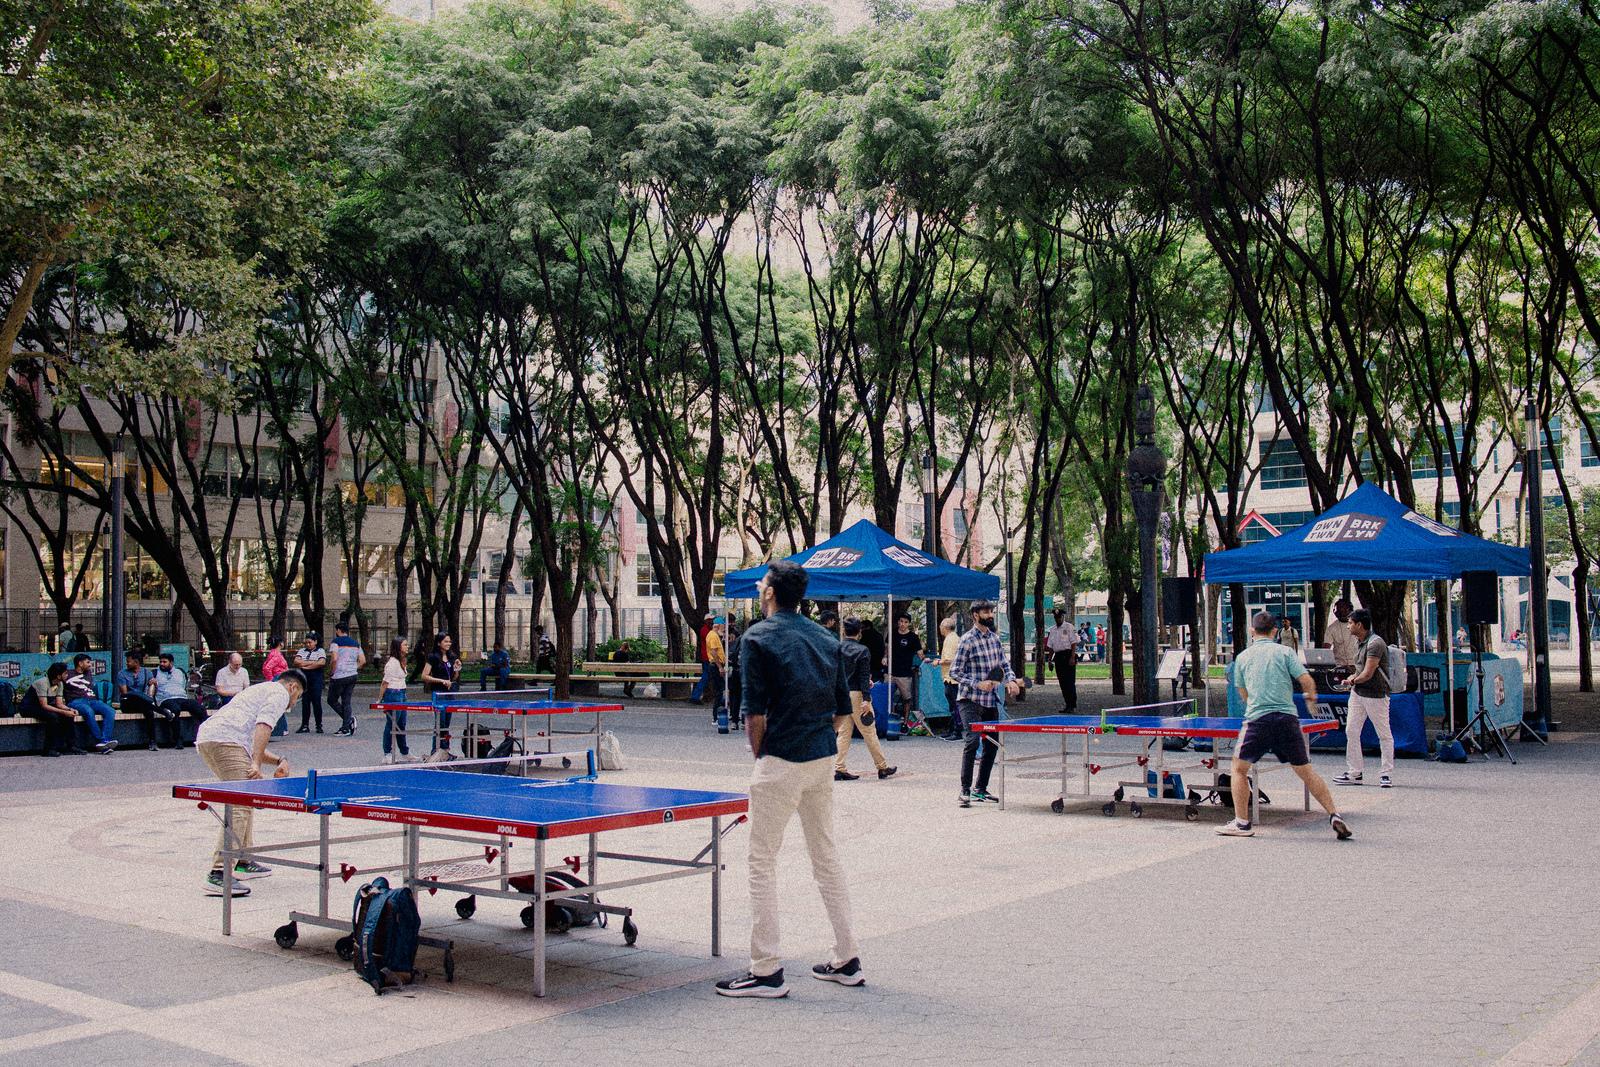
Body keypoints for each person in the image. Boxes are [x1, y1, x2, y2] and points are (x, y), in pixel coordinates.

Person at [715, 560, 863, 999]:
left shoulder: (756, 638)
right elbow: (842, 711)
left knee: (762, 861)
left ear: (769, 592)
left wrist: (764, 753)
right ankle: (847, 958)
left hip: (780, 758)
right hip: (821, 757)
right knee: (825, 856)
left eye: (762, 583)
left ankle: (766, 970)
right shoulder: (826, 639)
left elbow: (753, 713)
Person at [1217, 611, 1351, 839]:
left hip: (1258, 719)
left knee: (1238, 769)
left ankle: (1242, 823)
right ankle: (1334, 814)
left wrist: (1254, 705)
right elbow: (1306, 680)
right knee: (1306, 771)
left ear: (1252, 631)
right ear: (1275, 631)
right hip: (1287, 719)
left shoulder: (1243, 657)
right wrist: (1310, 698)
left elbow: (1242, 691)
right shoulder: (1285, 652)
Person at [195, 669, 305, 896]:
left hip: (214, 739)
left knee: (247, 797)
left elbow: (253, 743)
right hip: (225, 741)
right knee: (240, 804)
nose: (294, 702)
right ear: (292, 687)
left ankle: (244, 860)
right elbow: (263, 727)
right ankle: (219, 873)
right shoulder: (279, 693)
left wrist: (279, 760)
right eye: (298, 696)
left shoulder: (262, 690)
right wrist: (255, 764)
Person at [951, 600, 1020, 807]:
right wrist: (977, 683)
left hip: (990, 701)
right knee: (972, 742)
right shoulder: (967, 640)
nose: (990, 615)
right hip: (969, 700)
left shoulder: (994, 639)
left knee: (992, 745)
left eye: (991, 611)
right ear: (975, 615)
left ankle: (980, 788)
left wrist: (1011, 681)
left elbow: (1004, 665)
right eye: (986, 612)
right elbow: (955, 671)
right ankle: (964, 791)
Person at [1332, 609, 1395, 789]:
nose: (1348, 626)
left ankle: (1386, 774)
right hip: (1358, 694)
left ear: (1359, 625)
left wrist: (1352, 681)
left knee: (1384, 734)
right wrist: (1353, 678)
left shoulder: (1376, 643)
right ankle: (1355, 772)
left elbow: (1368, 673)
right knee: (1351, 731)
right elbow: (1360, 671)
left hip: (1376, 695)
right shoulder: (1359, 642)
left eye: (1350, 623)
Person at [834, 618, 895, 782]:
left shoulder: (837, 648)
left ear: (844, 631)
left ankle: (839, 768)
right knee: (869, 731)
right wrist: (867, 699)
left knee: (844, 733)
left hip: (841, 694)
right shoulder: (862, 650)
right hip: (857, 695)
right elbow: (863, 676)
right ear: (859, 632)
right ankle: (882, 766)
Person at [25, 663, 84, 756]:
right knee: (53, 717)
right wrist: (63, 712)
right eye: (65, 673)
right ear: (58, 676)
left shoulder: (60, 684)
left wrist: (69, 709)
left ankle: (71, 746)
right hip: (30, 707)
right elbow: (44, 705)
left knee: (68, 716)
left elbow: (59, 704)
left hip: (45, 707)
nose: (67, 675)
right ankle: (48, 749)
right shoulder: (42, 683)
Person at [64, 653, 118, 752]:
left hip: (92, 700)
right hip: (75, 701)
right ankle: (101, 741)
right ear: (80, 663)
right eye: (88, 662)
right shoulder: (67, 674)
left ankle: (105, 740)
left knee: (110, 711)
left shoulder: (88, 673)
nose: (90, 665)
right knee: (88, 711)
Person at [117, 652, 169, 750]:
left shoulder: (146, 672)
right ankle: (162, 711)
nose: (127, 663)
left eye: (128, 661)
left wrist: (154, 684)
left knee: (149, 712)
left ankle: (152, 741)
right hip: (127, 703)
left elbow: (151, 694)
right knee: (139, 700)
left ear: (136, 662)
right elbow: (125, 693)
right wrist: (138, 695)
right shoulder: (122, 674)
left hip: (143, 703)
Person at [154, 652, 205, 747]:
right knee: (175, 709)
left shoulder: (179, 672)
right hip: (166, 699)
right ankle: (178, 739)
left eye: (164, 662)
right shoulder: (155, 673)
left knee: (198, 708)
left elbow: (184, 685)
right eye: (160, 662)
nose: (162, 664)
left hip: (181, 697)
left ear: (171, 663)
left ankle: (205, 736)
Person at [420, 632, 459, 752]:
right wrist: (441, 681)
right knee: (440, 723)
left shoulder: (452, 657)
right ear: (438, 643)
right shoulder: (433, 657)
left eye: (449, 641)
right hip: (438, 692)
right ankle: (435, 750)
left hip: (449, 693)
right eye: (445, 641)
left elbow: (453, 677)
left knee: (446, 723)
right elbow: (424, 676)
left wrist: (457, 669)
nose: (448, 644)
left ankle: (445, 749)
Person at [328, 620, 366, 736]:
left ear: (338, 630)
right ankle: (346, 727)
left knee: (332, 700)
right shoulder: (356, 643)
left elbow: (334, 659)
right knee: (346, 701)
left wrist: (332, 671)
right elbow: (363, 661)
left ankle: (348, 721)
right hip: (352, 674)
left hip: (339, 675)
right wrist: (354, 667)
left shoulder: (336, 642)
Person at [381, 636, 412, 763]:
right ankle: (387, 753)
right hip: (393, 693)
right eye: (405, 644)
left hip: (402, 693)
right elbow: (385, 683)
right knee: (391, 724)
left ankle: (404, 752)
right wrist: (380, 699)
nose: (407, 646)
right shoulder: (392, 663)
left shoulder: (401, 661)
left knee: (401, 724)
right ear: (398, 647)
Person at [887, 615, 923, 715]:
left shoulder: (913, 637)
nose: (903, 624)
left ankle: (906, 721)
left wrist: (925, 660)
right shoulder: (892, 634)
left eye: (906, 622)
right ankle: (888, 718)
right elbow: (887, 647)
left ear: (909, 624)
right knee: (886, 696)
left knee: (906, 699)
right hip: (890, 672)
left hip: (905, 673)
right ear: (898, 622)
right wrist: (885, 657)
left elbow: (920, 653)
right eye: (901, 621)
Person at [1045, 608, 1080, 712]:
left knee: (1070, 681)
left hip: (1068, 655)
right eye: (1056, 618)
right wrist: (1049, 660)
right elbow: (1051, 646)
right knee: (1062, 682)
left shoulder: (1069, 627)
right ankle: (1067, 704)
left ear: (1063, 617)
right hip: (1058, 656)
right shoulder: (1052, 630)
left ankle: (1072, 705)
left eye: (1059, 617)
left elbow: (1073, 643)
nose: (1058, 619)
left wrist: (1072, 657)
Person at [293, 632, 328, 733]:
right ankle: (305, 725)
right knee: (305, 702)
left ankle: (319, 725)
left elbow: (321, 662)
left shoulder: (320, 651)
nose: (308, 644)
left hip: (316, 678)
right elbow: (296, 661)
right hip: (304, 679)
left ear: (315, 642)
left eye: (310, 642)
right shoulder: (302, 651)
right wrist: (312, 662)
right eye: (306, 643)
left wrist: (305, 665)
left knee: (316, 702)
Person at [934, 616, 962, 740]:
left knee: (955, 705)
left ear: (945, 627)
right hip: (950, 677)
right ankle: (952, 729)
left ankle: (957, 731)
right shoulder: (952, 638)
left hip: (952, 678)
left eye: (940, 626)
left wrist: (938, 662)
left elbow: (950, 659)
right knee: (952, 705)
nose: (939, 628)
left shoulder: (950, 640)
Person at [1320, 598, 1359, 668]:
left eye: (1345, 609)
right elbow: (1326, 647)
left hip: (1357, 664)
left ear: (1350, 610)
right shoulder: (1332, 628)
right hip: (1339, 665)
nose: (1342, 612)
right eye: (1340, 610)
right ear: (1336, 612)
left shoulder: (1359, 625)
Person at [706, 617, 729, 725]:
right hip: (715, 666)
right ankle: (716, 716)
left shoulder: (714, 635)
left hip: (716, 664)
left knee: (720, 690)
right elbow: (714, 652)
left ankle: (718, 715)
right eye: (723, 626)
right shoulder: (713, 636)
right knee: (719, 691)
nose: (724, 628)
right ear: (718, 625)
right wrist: (720, 666)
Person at [859, 618, 886, 684]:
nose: (861, 630)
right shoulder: (879, 635)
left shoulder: (866, 635)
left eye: (862, 628)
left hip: (869, 666)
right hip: (878, 666)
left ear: (868, 627)